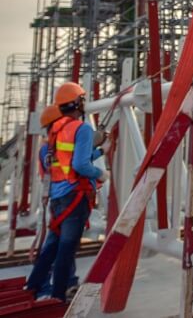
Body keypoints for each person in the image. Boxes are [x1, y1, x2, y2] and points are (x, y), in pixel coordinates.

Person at [25, 82, 108, 303]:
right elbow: (80, 166)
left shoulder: (55, 132)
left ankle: (32, 286)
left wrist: (97, 148)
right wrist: (100, 173)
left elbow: (66, 161)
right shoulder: (80, 129)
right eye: (82, 99)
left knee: (53, 245)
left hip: (59, 198)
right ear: (76, 103)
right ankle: (58, 296)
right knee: (66, 249)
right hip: (75, 197)